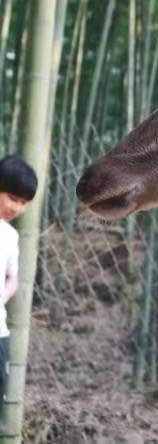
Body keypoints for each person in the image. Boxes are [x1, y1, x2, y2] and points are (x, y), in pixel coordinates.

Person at [0, 155, 37, 407]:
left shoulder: (11, 236)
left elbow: (13, 278)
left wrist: (3, 294)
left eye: (23, 203)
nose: (16, 208)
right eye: (12, 198)